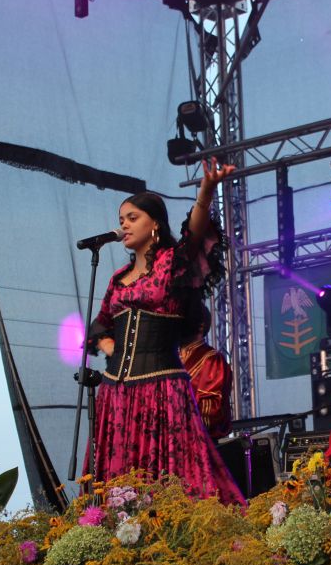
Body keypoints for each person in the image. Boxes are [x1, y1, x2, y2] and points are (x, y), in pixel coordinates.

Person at [87, 159, 244, 504]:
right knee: (119, 489)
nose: (124, 225)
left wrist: (206, 191)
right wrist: (111, 347)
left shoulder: (171, 262)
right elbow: (99, 324)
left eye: (132, 218)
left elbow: (195, 234)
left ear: (155, 223)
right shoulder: (117, 279)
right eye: (121, 220)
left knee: (172, 485)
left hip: (161, 390)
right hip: (117, 395)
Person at [178, 300, 232, 439]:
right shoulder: (171, 356)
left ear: (201, 325)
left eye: (183, 317)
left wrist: (173, 414)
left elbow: (211, 410)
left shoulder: (212, 360)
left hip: (201, 442)